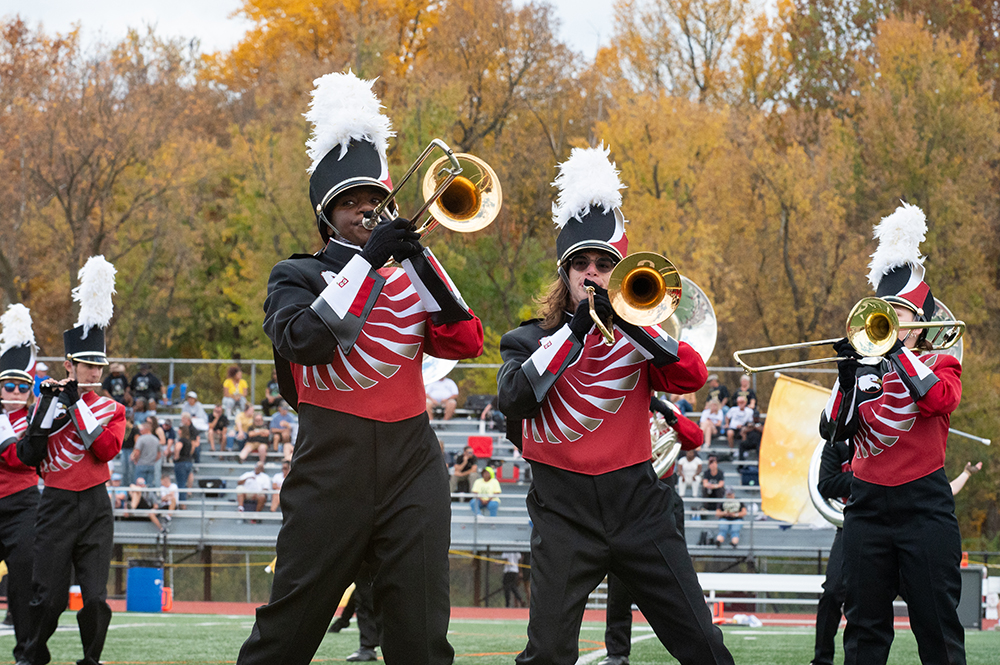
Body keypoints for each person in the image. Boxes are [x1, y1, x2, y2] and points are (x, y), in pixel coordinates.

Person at [237, 71, 483, 665]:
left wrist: (418, 257)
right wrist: (368, 263)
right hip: (332, 458)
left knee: (422, 632)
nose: (366, 211)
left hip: (411, 457)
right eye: (350, 202)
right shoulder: (296, 275)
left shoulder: (406, 271)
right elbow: (307, 339)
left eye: (374, 199)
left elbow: (466, 339)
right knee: (289, 629)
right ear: (327, 215)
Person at [497, 145, 731, 665]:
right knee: (547, 655)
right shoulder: (526, 340)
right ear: (565, 274)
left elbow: (692, 374)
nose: (592, 274)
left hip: (639, 510)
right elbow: (513, 397)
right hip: (562, 515)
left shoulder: (640, 339)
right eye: (581, 264)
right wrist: (573, 336)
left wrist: (631, 324)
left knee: (704, 646)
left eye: (605, 265)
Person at [819, 203, 965, 665]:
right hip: (866, 506)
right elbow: (832, 430)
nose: (892, 322)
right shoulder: (863, 369)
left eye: (901, 312)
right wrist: (847, 378)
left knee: (937, 629)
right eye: (886, 313)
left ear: (921, 322)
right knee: (863, 632)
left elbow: (939, 400)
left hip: (924, 504)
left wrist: (897, 353)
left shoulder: (942, 361)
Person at [16, 256, 125, 665]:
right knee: (48, 598)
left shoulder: (112, 408)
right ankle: (33, 655)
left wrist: (77, 405)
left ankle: (91, 660)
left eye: (98, 367)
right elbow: (29, 455)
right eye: (85, 366)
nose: (93, 374)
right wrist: (47, 405)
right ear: (69, 365)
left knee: (95, 597)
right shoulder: (48, 400)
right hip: (56, 503)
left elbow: (105, 451)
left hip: (96, 505)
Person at [600, 393, 706, 665]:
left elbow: (695, 438)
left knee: (678, 580)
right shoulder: (620, 404)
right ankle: (617, 653)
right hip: (629, 497)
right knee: (620, 583)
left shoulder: (665, 411)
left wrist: (667, 414)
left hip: (664, 496)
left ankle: (697, 650)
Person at [0, 304, 40, 664]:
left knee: (23, 579)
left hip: (22, 503)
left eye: (21, 386)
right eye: (7, 385)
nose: (13, 392)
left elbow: (22, 458)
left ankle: (26, 654)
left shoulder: (37, 419)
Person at [811, 439, 852, 665]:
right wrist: (863, 478)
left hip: (892, 522)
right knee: (832, 592)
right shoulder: (835, 444)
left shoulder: (883, 430)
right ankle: (821, 660)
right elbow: (825, 485)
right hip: (849, 524)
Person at [174, 412, 199, 502]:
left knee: (181, 483)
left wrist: (176, 456)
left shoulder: (181, 440)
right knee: (186, 479)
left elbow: (178, 447)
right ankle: (186, 497)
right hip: (188, 461)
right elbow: (193, 447)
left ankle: (182, 502)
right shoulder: (189, 441)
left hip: (181, 463)